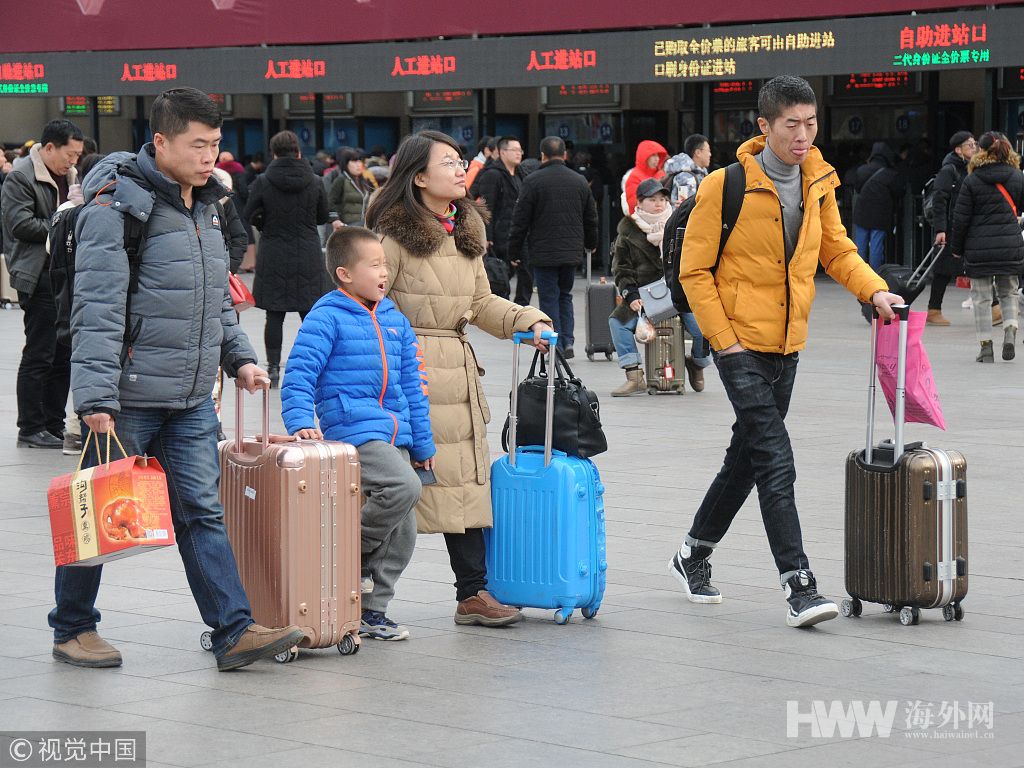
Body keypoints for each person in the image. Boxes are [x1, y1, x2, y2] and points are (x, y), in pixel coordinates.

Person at [55, 87, 304, 671]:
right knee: (99, 515)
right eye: (198, 145)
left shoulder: (207, 205)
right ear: (161, 140)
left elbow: (213, 299)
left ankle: (233, 631)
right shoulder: (115, 207)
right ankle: (72, 627)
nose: (209, 156)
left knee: (202, 511)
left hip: (191, 397)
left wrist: (239, 356)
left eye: (216, 145)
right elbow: (97, 306)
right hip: (128, 397)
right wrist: (94, 396)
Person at [673, 75, 903, 628]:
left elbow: (836, 248)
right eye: (791, 125)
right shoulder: (724, 186)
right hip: (738, 345)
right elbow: (693, 270)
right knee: (775, 457)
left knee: (747, 459)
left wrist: (872, 289)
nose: (803, 135)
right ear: (764, 126)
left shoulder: (819, 180)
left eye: (811, 123)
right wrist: (723, 342)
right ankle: (798, 583)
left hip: (787, 345)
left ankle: (693, 552)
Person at [366, 130, 552, 627]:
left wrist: (525, 321)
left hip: (457, 373)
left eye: (461, 160)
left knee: (463, 484)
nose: (460, 168)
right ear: (419, 176)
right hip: (406, 372)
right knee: (396, 492)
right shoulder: (393, 234)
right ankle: (361, 597)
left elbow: (479, 302)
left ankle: (472, 592)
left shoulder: (465, 228)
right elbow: (368, 304)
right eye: (448, 162)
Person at [281, 227, 435, 642]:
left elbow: (413, 385)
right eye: (375, 265)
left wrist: (423, 443)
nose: (384, 272)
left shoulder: (393, 318)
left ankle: (373, 610)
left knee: (405, 526)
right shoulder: (326, 315)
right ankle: (350, 555)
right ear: (345, 273)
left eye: (385, 264)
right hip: (351, 428)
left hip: (394, 430)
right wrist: (299, 423)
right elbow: (298, 375)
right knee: (403, 487)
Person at [1, 119, 82, 450]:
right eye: (69, 154)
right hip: (38, 274)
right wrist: (63, 221)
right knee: (40, 352)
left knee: (64, 353)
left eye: (78, 155)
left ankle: (53, 423)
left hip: (66, 274)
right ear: (49, 148)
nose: (73, 161)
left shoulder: (73, 177)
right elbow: (20, 224)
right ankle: (31, 426)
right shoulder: (21, 177)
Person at [244, 130, 331, 388]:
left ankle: (272, 369)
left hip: (274, 251)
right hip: (307, 251)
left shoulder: (262, 181)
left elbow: (249, 214)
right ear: (298, 152)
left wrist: (264, 220)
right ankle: (316, 366)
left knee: (275, 314)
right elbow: (321, 216)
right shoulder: (315, 181)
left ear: (274, 153)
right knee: (310, 314)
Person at [507, 136, 597, 359]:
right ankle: (568, 341)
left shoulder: (532, 182)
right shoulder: (579, 181)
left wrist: (514, 251)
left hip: (543, 251)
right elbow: (591, 218)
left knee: (548, 296)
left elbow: (520, 221)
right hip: (571, 251)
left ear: (543, 156)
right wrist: (590, 244)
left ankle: (553, 340)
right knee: (565, 295)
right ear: (565, 155)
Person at [46, 152, 104, 456]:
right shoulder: (98, 212)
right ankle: (85, 436)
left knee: (77, 367)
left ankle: (74, 432)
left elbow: (48, 251)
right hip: (93, 305)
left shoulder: (63, 210)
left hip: (65, 303)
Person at [950, 131, 1024, 363]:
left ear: (981, 151)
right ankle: (1010, 329)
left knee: (981, 297)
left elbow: (961, 219)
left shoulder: (971, 180)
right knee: (1009, 291)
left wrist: (957, 247)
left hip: (978, 247)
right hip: (1009, 244)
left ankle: (985, 347)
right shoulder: (1017, 176)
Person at [608, 178, 675, 395]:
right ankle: (634, 374)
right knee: (617, 322)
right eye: (652, 199)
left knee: (701, 326)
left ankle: (698, 364)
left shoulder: (676, 224)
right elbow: (621, 268)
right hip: (645, 294)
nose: (659, 204)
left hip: (676, 292)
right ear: (639, 203)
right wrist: (630, 294)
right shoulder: (627, 232)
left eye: (663, 199)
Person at [925, 131, 977, 326]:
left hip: (963, 226)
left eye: (975, 144)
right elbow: (939, 200)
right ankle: (934, 309)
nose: (974, 148)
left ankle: (994, 308)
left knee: (975, 266)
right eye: (969, 145)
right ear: (958, 150)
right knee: (943, 269)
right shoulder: (949, 170)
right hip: (949, 228)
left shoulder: (969, 168)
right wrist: (940, 229)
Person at [474, 136, 531, 303]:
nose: (519, 154)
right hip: (500, 235)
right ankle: (502, 309)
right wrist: (488, 237)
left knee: (527, 274)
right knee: (501, 276)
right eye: (515, 150)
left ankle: (521, 309)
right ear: (502, 152)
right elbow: (486, 207)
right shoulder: (492, 175)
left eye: (520, 150)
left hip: (520, 234)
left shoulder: (522, 175)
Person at [850, 141, 906, 269]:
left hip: (861, 212)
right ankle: (874, 275)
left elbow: (857, 188)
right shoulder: (890, 174)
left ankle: (858, 274)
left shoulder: (862, 170)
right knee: (876, 245)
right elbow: (898, 192)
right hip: (881, 214)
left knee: (860, 245)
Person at [663, 133, 712, 207]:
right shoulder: (686, 177)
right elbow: (687, 209)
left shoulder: (699, 172)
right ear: (698, 153)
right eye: (708, 150)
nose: (710, 154)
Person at [622, 140, 668, 215]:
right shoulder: (634, 177)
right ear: (644, 156)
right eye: (653, 155)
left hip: (662, 220)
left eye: (658, 155)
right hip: (640, 221)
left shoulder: (662, 174)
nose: (657, 159)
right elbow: (633, 203)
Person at [328, 147, 372, 227]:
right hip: (347, 226)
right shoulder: (341, 180)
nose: (358, 164)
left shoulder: (364, 181)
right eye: (354, 161)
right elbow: (330, 202)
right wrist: (335, 219)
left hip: (364, 226)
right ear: (346, 164)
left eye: (359, 161)